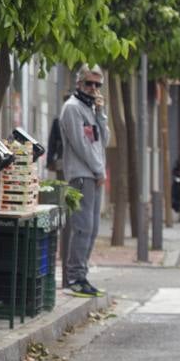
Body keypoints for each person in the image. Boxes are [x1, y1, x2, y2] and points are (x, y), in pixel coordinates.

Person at [60, 66, 109, 297]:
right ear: (79, 83)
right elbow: (81, 145)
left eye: (98, 85)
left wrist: (101, 113)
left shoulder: (90, 109)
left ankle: (82, 274)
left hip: (94, 174)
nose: (93, 89)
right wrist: (99, 171)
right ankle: (74, 276)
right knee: (82, 226)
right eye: (89, 84)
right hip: (81, 175)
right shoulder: (72, 108)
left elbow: (102, 141)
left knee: (93, 228)